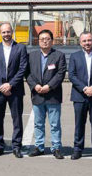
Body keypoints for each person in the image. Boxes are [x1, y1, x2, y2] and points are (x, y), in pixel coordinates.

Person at [0, 23, 27, 158]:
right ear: (0, 33)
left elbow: (22, 69)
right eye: (4, 32)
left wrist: (10, 85)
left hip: (15, 90)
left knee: (17, 119)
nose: (6, 34)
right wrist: (0, 85)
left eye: (8, 32)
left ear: (12, 32)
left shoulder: (20, 48)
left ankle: (16, 147)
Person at [26, 29, 66, 159]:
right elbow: (28, 74)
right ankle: (39, 147)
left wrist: (49, 86)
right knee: (38, 123)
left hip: (53, 95)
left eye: (47, 39)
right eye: (42, 39)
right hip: (37, 94)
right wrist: (35, 86)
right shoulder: (32, 55)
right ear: (38, 41)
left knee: (55, 124)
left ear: (52, 41)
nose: (44, 41)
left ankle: (56, 148)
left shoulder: (59, 55)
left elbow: (60, 74)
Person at [69, 31, 92, 160]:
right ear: (80, 43)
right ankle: (78, 149)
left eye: (89, 40)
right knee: (79, 124)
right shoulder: (74, 56)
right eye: (84, 41)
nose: (87, 43)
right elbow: (72, 75)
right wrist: (85, 88)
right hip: (79, 96)